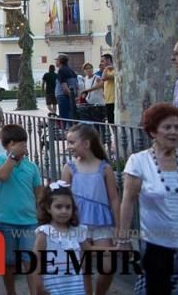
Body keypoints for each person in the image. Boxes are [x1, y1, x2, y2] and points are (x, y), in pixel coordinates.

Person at [119, 103, 178, 294]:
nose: (174, 132)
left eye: (177, 127)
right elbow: (128, 201)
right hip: (157, 243)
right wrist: (123, 239)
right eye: (167, 127)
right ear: (152, 132)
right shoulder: (138, 161)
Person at [62, 123, 119, 295]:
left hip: (102, 223)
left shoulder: (105, 168)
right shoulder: (69, 167)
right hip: (78, 224)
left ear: (86, 144)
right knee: (83, 269)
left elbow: (114, 199)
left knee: (108, 267)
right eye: (68, 142)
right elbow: (63, 198)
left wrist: (118, 227)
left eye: (72, 142)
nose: (69, 146)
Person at [0, 124, 42, 295]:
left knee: (30, 262)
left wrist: (40, 215)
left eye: (25, 144)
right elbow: (3, 175)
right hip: (6, 221)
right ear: (9, 144)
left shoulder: (32, 167)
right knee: (9, 263)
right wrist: (13, 157)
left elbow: (39, 193)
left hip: (29, 222)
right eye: (20, 144)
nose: (24, 147)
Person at [34, 184, 91, 295]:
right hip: (53, 287)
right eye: (59, 207)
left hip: (75, 287)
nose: (64, 211)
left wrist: (115, 249)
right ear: (48, 208)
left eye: (68, 207)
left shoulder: (77, 231)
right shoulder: (44, 232)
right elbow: (36, 261)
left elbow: (89, 251)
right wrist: (38, 286)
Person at [55, 54, 79, 121]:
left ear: (59, 61)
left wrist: (72, 97)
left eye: (56, 60)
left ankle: (66, 131)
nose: (55, 62)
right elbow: (77, 86)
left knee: (65, 118)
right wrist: (75, 97)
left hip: (63, 97)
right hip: (71, 97)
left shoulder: (61, 70)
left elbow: (64, 87)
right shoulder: (72, 71)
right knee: (71, 116)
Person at [100, 54, 116, 123]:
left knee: (113, 120)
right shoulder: (108, 70)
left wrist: (106, 68)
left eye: (103, 61)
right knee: (110, 120)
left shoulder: (114, 70)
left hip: (113, 100)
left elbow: (103, 78)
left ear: (108, 60)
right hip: (107, 100)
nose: (101, 63)